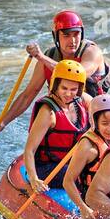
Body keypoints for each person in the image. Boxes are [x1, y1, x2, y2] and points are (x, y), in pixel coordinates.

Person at [0, 10, 110, 139]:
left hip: (96, 118)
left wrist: (40, 57)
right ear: (56, 36)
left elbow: (76, 74)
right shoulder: (50, 56)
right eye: (66, 35)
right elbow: (28, 95)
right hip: (65, 116)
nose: (72, 40)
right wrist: (2, 123)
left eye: (76, 34)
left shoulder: (92, 52)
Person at [18, 59, 89, 194]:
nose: (69, 94)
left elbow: (103, 111)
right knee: (82, 178)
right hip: (47, 167)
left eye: (73, 89)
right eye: (64, 88)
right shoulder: (48, 112)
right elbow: (29, 150)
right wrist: (34, 179)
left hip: (71, 164)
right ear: (55, 85)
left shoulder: (81, 101)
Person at [62, 93, 110, 219]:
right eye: (105, 123)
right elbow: (68, 181)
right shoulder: (87, 146)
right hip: (94, 199)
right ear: (94, 122)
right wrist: (83, 208)